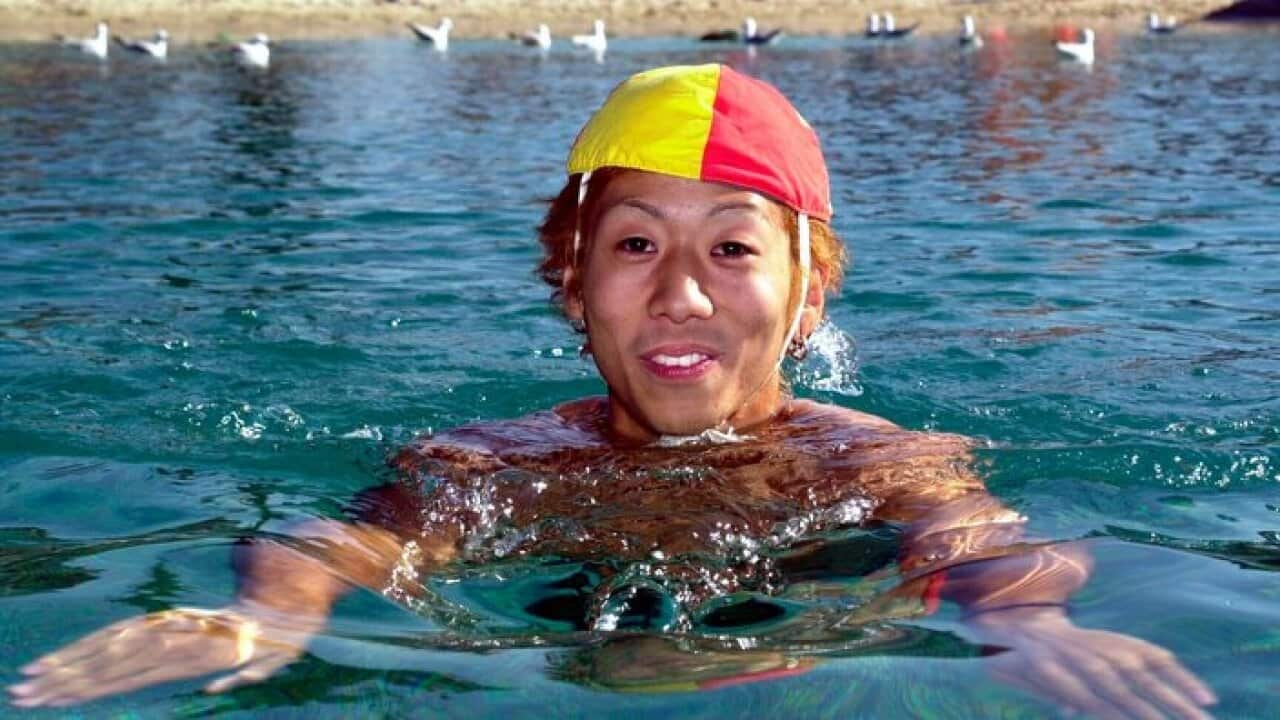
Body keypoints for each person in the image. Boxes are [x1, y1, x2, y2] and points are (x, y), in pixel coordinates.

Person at [9, 64, 1215, 719]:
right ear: (572, 288)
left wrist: (1028, 622)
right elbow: (339, 542)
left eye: (732, 249)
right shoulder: (495, 461)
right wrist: (273, 614)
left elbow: (981, 542)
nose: (680, 293)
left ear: (808, 298)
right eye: (633, 246)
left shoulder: (866, 458)